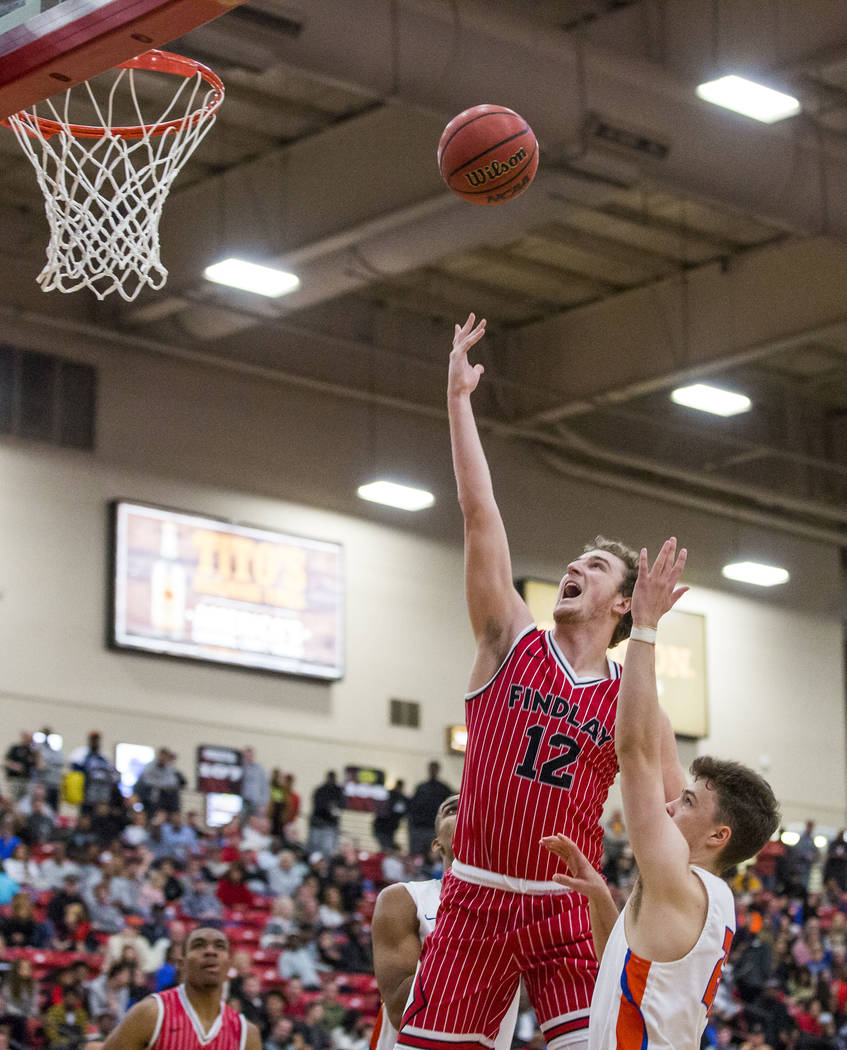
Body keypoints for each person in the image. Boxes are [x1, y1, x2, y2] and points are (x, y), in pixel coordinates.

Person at [395, 316, 685, 1050]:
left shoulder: (632, 699)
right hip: (476, 898)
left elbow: (672, 811)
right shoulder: (508, 637)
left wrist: (649, 908)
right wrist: (458, 401)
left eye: (596, 566)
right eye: (575, 560)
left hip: (566, 906)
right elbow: (478, 516)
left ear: (623, 604)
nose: (576, 567)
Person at [542, 538, 781, 1050]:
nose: (673, 802)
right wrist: (602, 898)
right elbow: (619, 967)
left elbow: (636, 752)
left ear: (719, 835)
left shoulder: (673, 878)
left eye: (689, 802)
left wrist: (645, 628)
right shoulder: (706, 896)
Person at [372, 794, 518, 1050]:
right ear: (436, 843)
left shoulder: (516, 909)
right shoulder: (403, 898)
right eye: (452, 810)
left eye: (474, 808)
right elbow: (398, 1010)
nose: (466, 813)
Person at [99, 925, 262, 1049]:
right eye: (199, 945)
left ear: (229, 966)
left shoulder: (246, 1034)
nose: (210, 952)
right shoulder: (151, 1013)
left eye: (220, 946)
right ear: (182, 964)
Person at [406, 764, 452, 857]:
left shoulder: (443, 789)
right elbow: (413, 807)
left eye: (434, 769)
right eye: (431, 768)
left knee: (432, 857)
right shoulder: (421, 787)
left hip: (433, 829)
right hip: (419, 828)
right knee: (416, 856)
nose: (432, 771)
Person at [307, 771, 345, 857]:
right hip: (318, 824)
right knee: (315, 851)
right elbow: (317, 805)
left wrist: (335, 807)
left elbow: (343, 806)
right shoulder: (320, 790)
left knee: (328, 851)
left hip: (331, 826)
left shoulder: (339, 791)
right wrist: (328, 807)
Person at [373, 779, 409, 853]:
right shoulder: (394, 797)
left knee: (387, 848)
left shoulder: (397, 797)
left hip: (387, 828)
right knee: (386, 848)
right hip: (383, 827)